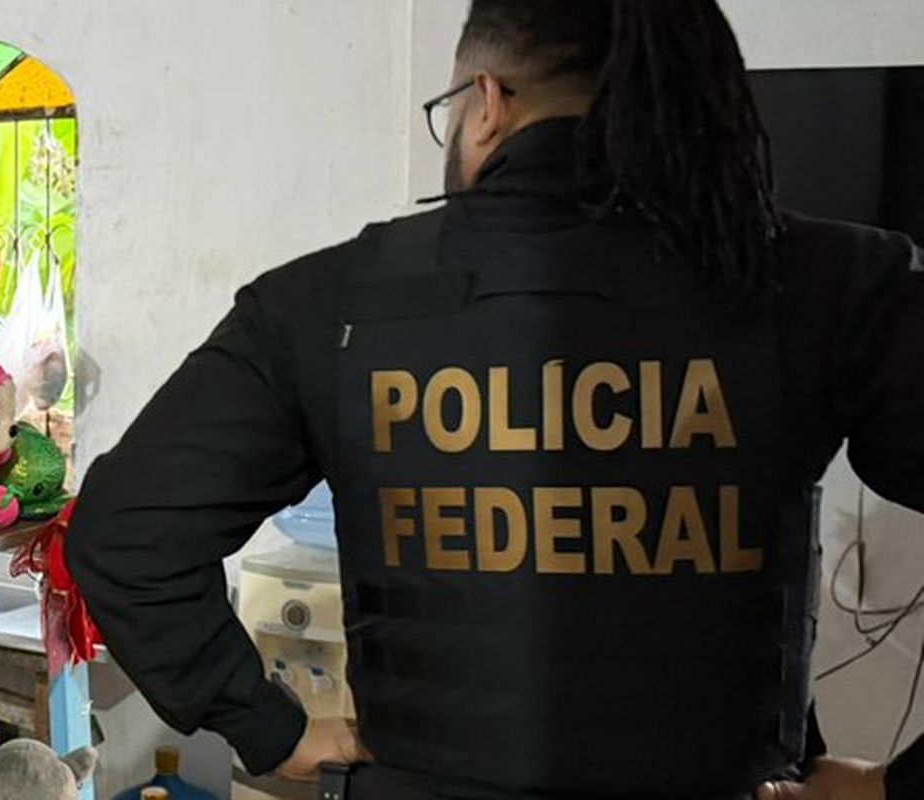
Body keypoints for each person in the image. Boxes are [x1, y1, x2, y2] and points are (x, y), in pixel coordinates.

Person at [66, 1, 924, 798]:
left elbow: (125, 533)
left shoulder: (324, 304)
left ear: (487, 103)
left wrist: (267, 727)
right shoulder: (834, 285)